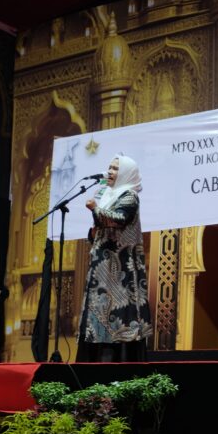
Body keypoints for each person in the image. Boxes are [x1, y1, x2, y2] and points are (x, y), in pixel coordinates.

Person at [76, 154, 152, 362]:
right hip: (104, 267)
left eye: (115, 168)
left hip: (120, 270)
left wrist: (95, 209)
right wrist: (93, 235)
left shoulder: (129, 195)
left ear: (127, 173)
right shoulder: (109, 195)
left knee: (120, 314)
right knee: (98, 313)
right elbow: (104, 228)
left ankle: (118, 364)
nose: (110, 171)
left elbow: (118, 220)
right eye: (109, 167)